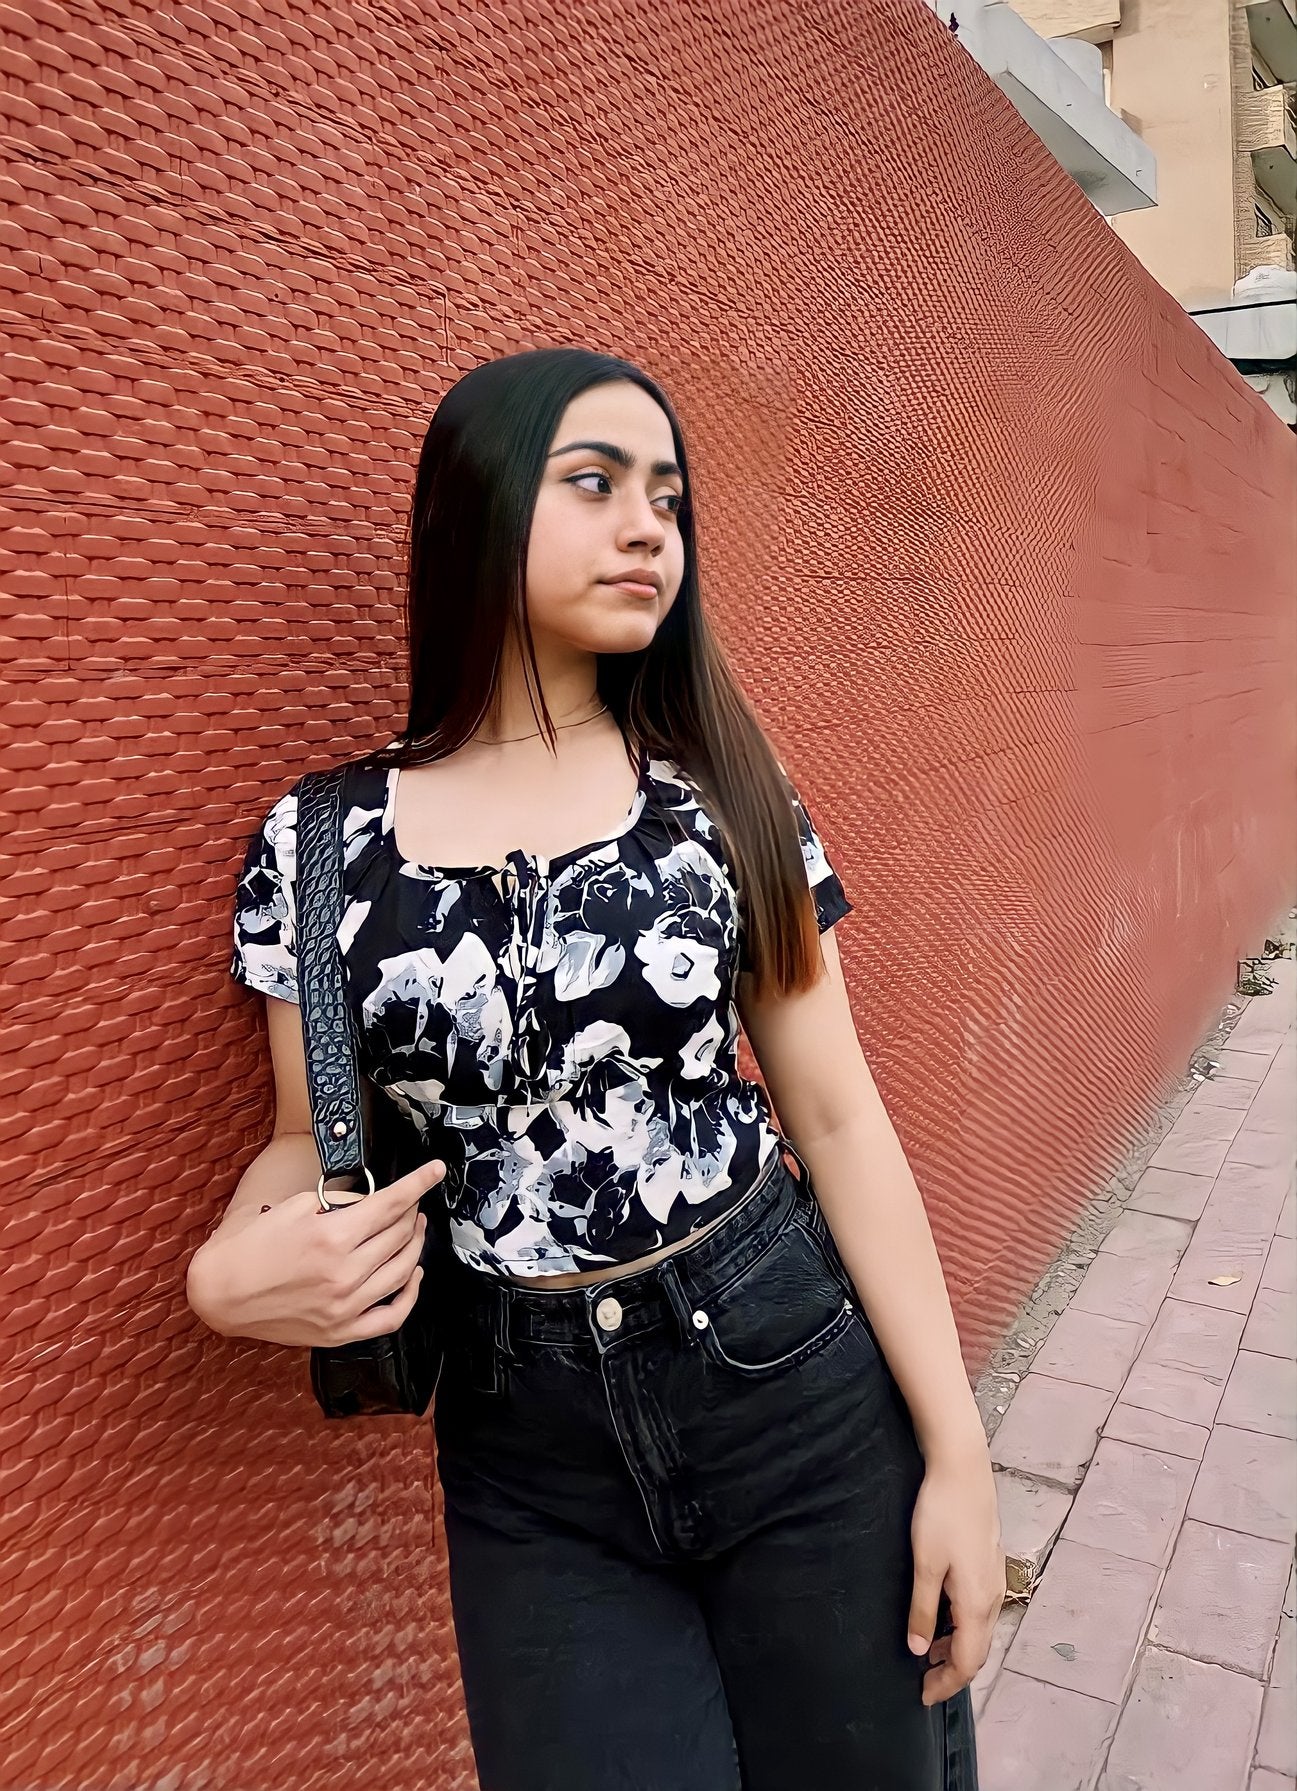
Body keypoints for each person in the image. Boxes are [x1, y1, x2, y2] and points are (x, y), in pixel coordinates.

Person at [187, 346, 1003, 1791]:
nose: (649, 529)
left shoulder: (715, 791)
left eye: (668, 500)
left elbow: (838, 1118)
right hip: (526, 1451)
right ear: (475, 510)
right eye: (595, 484)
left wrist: (957, 1454)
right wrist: (234, 1269)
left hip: (792, 1386)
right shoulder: (318, 850)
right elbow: (301, 1144)